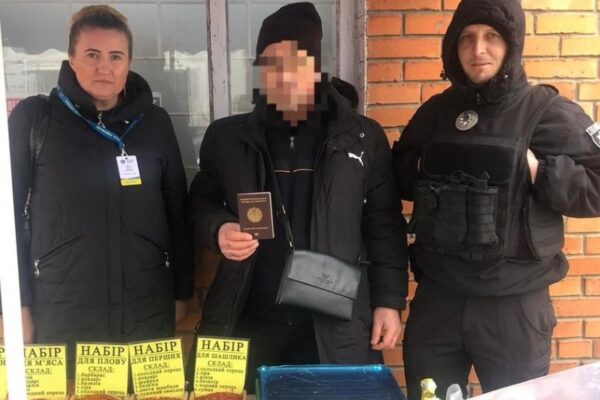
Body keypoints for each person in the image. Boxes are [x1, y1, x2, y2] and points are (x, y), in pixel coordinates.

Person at [189, 2, 407, 392]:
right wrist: (219, 229)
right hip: (247, 317)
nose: (283, 76)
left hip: (330, 323)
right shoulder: (227, 137)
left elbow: (384, 225)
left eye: (295, 62)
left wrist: (389, 301)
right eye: (271, 64)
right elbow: (198, 204)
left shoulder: (361, 136)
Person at [393, 0, 600, 398]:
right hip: (439, 300)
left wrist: (540, 171)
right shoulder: (437, 111)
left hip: (513, 308)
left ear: (512, 44)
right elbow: (399, 175)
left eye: (492, 37)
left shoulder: (547, 112)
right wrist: (430, 163)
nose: (478, 50)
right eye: (467, 38)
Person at [9, 5, 193, 369]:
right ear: (71, 59)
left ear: (129, 63)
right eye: (92, 55)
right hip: (64, 311)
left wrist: (182, 292)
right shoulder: (36, 120)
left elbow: (177, 210)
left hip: (145, 308)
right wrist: (16, 305)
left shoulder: (154, 124)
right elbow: (7, 218)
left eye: (115, 56)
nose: (104, 67)